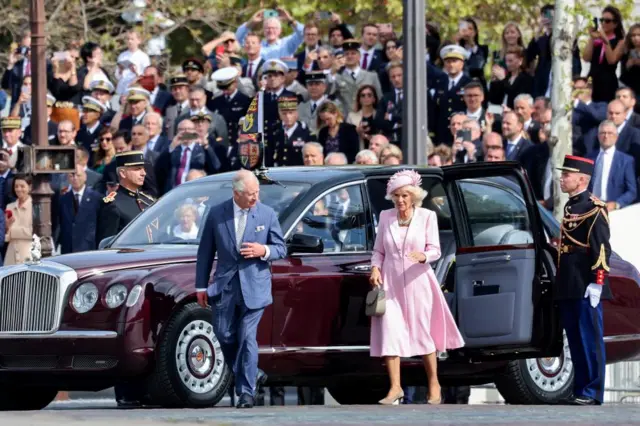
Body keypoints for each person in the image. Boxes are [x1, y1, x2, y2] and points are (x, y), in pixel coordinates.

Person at [369, 169, 464, 405]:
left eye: (404, 196)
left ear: (413, 196)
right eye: (396, 196)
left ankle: (434, 383)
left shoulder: (427, 217)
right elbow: (378, 251)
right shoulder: (385, 217)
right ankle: (395, 387)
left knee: (422, 332)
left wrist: (423, 255)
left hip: (418, 281)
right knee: (390, 330)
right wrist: (375, 268)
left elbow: (436, 249)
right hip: (390, 283)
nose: (400, 200)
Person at [195, 170, 287, 408]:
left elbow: (281, 248)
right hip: (225, 285)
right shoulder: (217, 214)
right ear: (236, 194)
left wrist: (263, 250)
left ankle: (246, 392)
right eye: (250, 194)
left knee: (247, 337)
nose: (255, 198)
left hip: (255, 285)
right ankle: (252, 372)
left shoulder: (266, 214)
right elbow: (205, 252)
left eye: (257, 192)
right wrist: (201, 286)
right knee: (223, 333)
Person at [95, 151, 155, 407]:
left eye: (143, 168)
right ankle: (128, 392)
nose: (143, 173)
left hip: (152, 277)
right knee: (129, 334)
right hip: (127, 281)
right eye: (136, 168)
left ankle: (150, 388)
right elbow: (106, 249)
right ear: (122, 173)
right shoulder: (113, 203)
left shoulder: (149, 201)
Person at [556, 155, 612, 406]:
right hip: (569, 281)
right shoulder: (571, 206)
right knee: (575, 339)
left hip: (585, 283)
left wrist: (597, 282)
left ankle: (592, 390)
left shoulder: (594, 207)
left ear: (581, 179)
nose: (562, 178)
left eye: (567, 175)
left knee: (589, 338)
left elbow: (601, 248)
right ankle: (580, 388)